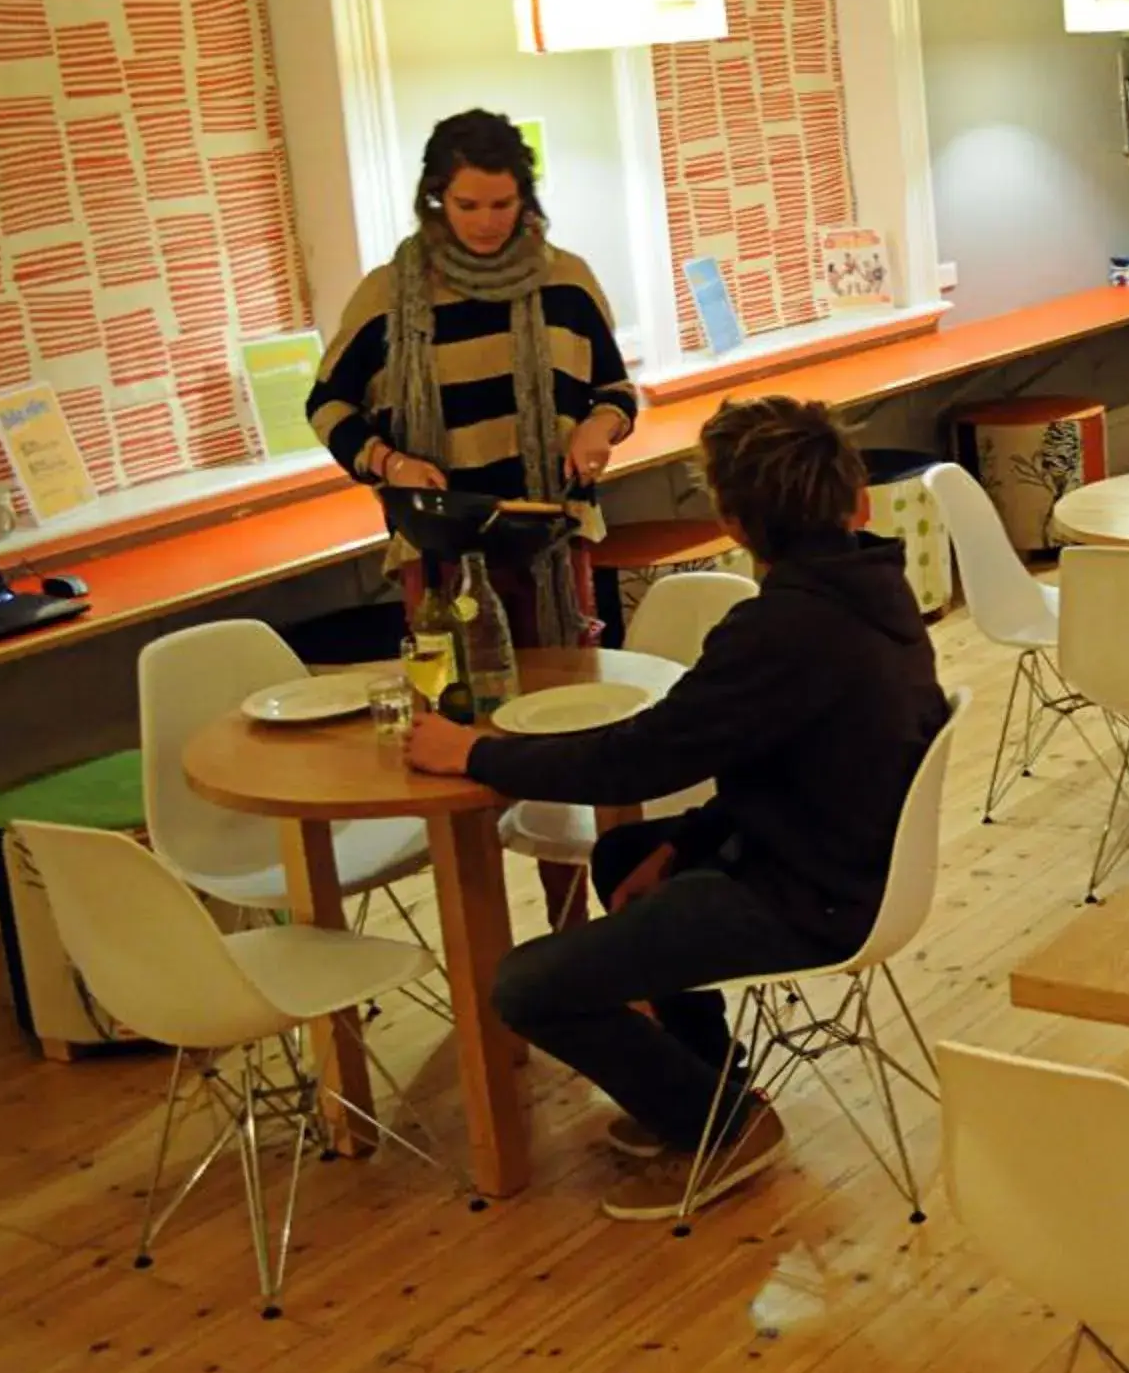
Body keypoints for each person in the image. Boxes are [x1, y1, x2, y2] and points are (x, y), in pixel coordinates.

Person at [405, 396, 953, 1221]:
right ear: (859, 502)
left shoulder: (781, 629)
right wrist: (685, 845)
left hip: (817, 894)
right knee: (627, 855)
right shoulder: (874, 588)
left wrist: (475, 754)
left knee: (524, 986)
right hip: (841, 856)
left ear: (734, 522)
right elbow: (774, 764)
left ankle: (722, 1126)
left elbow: (635, 758)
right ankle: (710, 1081)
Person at [308, 110, 635, 647]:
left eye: (502, 204)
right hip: (441, 543)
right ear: (436, 199)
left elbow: (615, 392)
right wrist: (390, 463)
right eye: (468, 205)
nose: (487, 221)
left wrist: (598, 428)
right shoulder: (388, 295)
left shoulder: (567, 281)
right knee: (464, 708)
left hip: (553, 534)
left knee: (568, 702)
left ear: (526, 199)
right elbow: (327, 405)